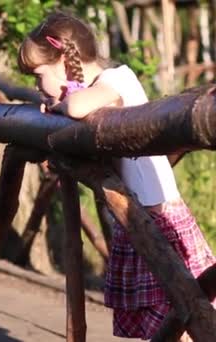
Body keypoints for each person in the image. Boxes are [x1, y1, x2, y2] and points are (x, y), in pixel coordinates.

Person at [17, 12, 216, 340]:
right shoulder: (98, 88)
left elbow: (79, 107)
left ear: (67, 62)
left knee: (181, 317)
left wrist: (58, 104)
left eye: (38, 76)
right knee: (164, 321)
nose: (37, 86)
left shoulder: (118, 79)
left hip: (160, 218)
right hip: (137, 218)